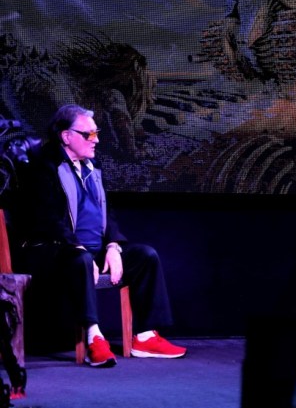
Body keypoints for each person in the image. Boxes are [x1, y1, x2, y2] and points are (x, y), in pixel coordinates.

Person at [16, 104, 186, 367]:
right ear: (66, 136)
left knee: (145, 256)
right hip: (56, 252)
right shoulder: (44, 167)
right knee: (82, 261)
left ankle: (144, 336)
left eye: (97, 133)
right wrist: (78, 248)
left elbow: (108, 213)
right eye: (89, 134)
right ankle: (94, 337)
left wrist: (114, 246)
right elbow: (47, 219)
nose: (96, 140)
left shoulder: (92, 167)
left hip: (91, 251)